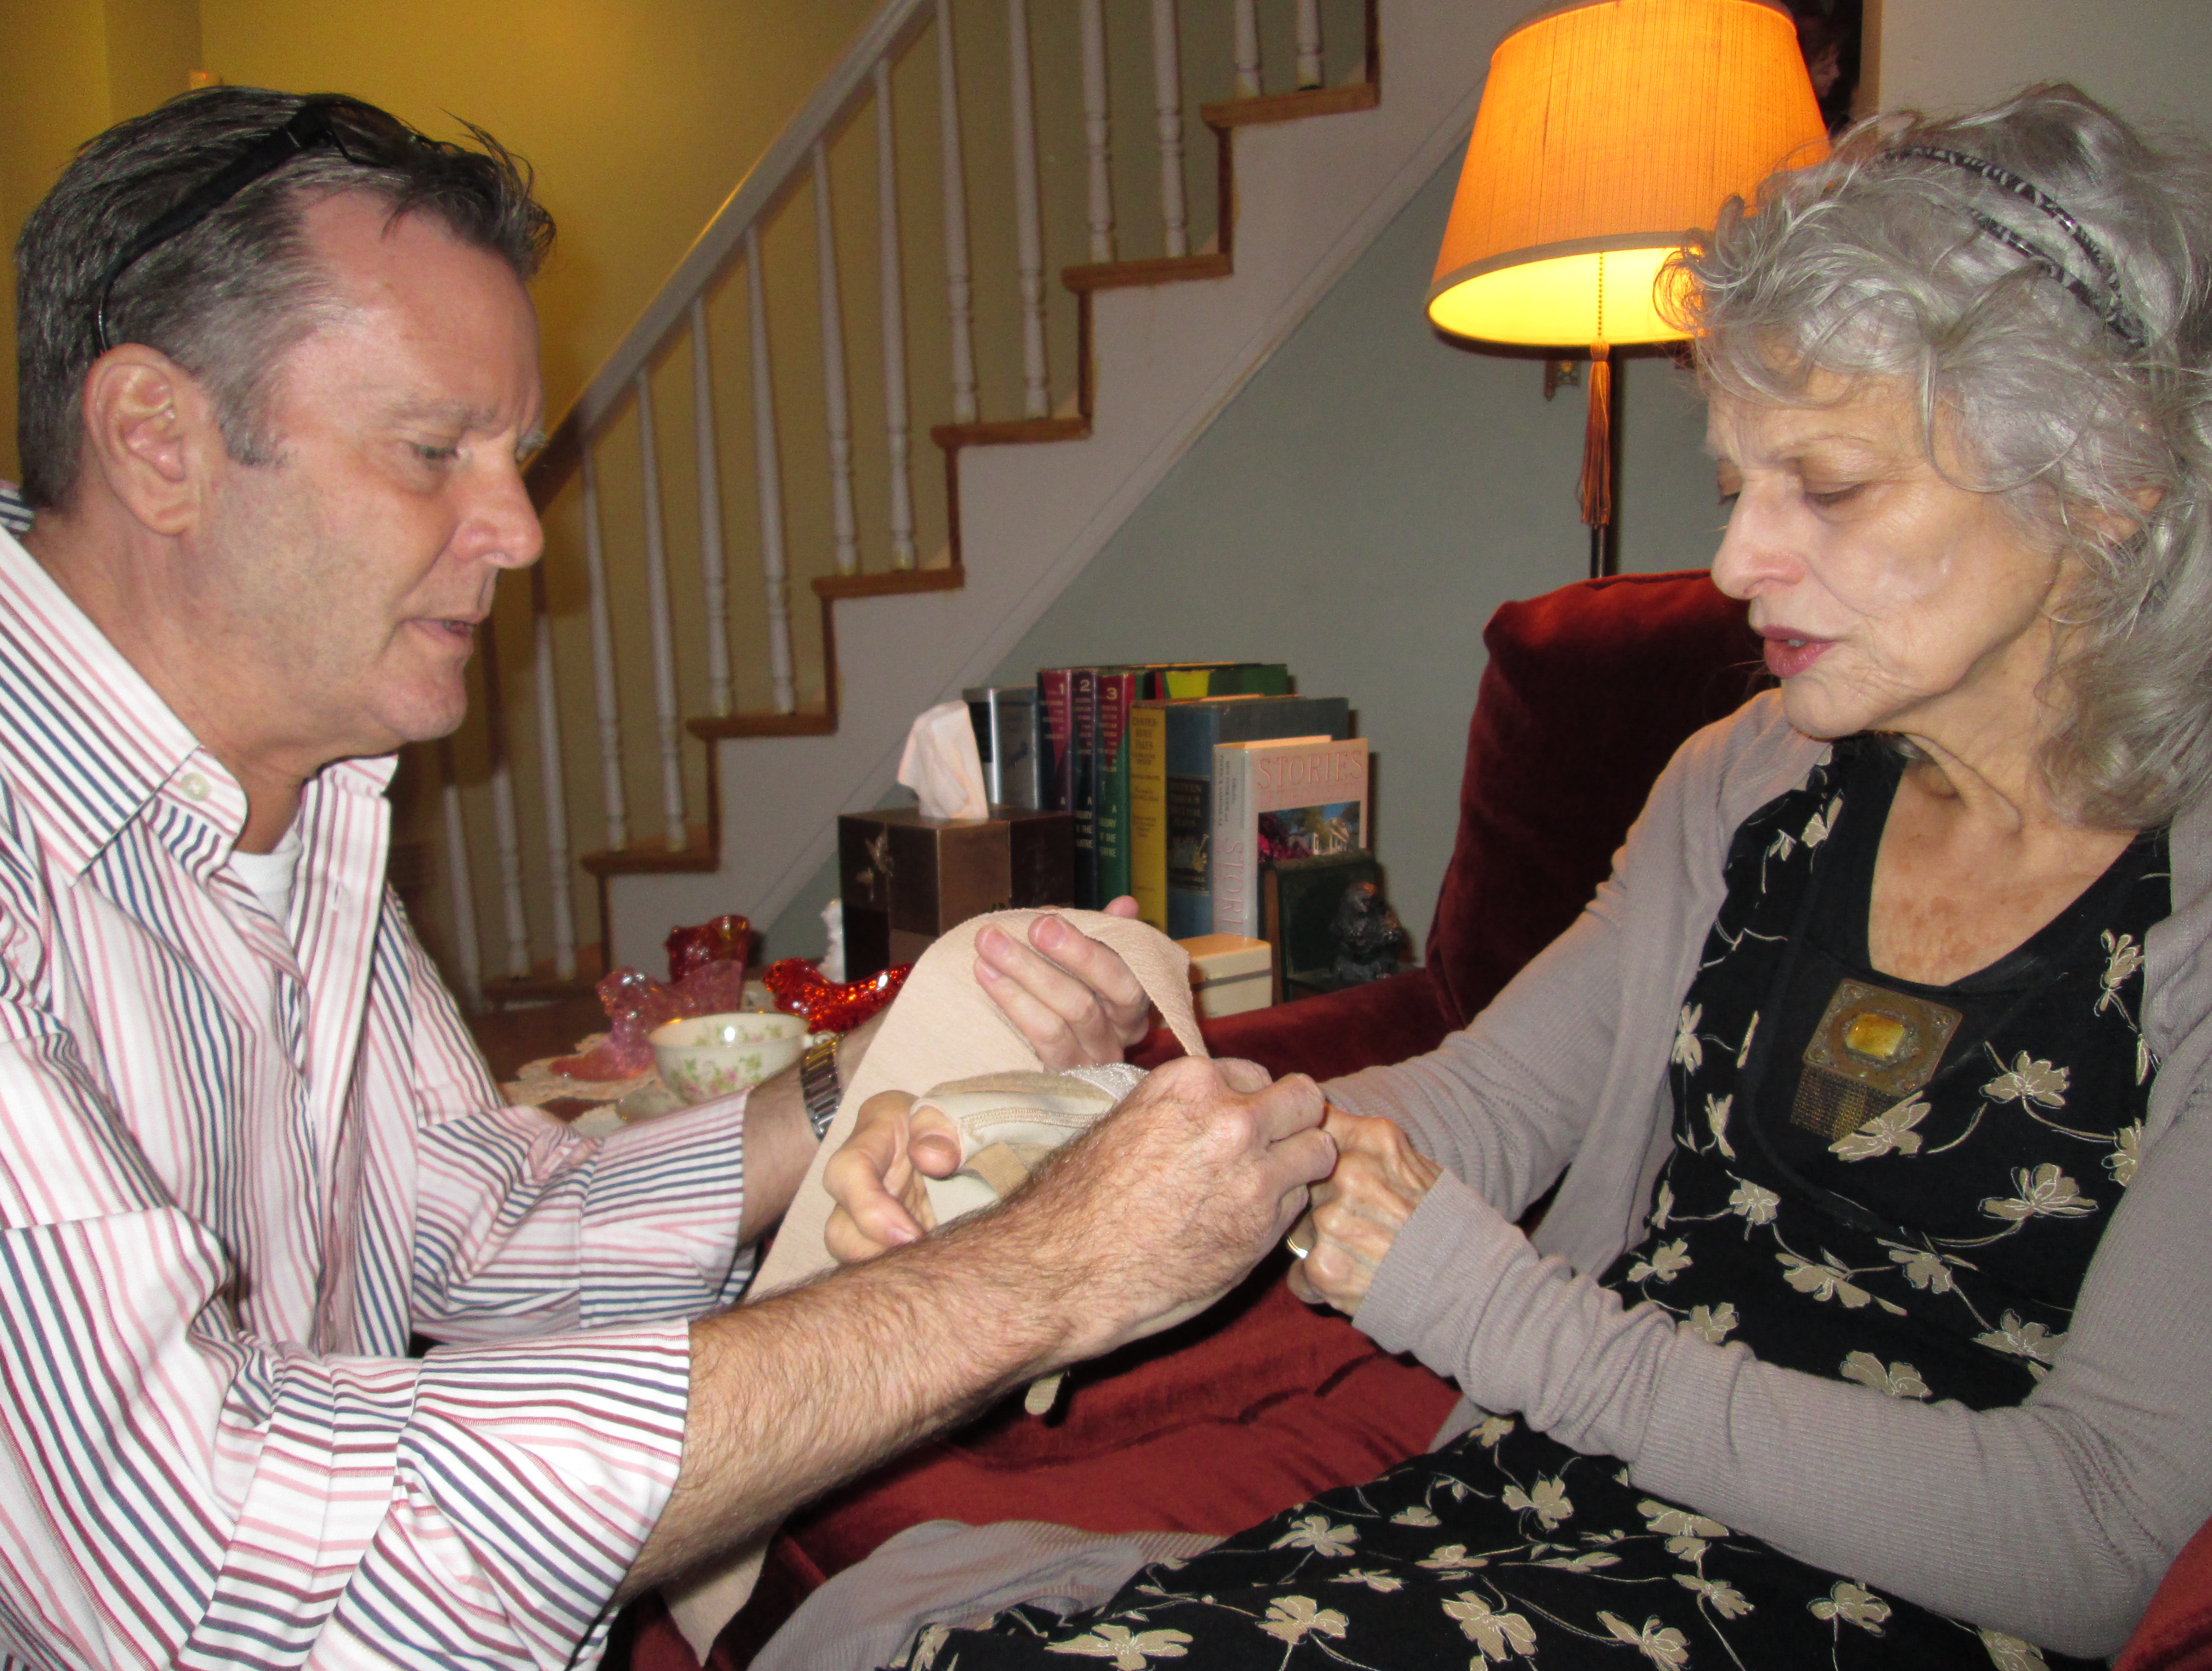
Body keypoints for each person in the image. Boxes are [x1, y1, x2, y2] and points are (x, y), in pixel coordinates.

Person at [822, 84, 2212, 1667]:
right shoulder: (1749, 788)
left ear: (2106, 480)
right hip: (1558, 1508)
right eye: (1737, 479)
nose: (1744, 557)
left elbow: (2104, 1537)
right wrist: (1088, 1137)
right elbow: (1490, 1101)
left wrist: (1503, 1320)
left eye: (1828, 484)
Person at [0, 86, 1328, 1668]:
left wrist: (874, 1076)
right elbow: (210, 1571)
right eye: (434, 451)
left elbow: (478, 1235)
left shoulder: (304, 796)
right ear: (158, 441)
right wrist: (1042, 1276)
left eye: (514, 455)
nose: (518, 532)